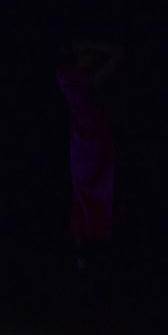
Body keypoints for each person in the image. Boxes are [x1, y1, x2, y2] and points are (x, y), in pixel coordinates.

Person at [57, 39, 125, 273]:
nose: (95, 59)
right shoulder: (74, 79)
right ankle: (83, 255)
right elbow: (119, 52)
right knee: (86, 195)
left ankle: (89, 255)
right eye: (90, 54)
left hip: (94, 144)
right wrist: (91, 42)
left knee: (97, 195)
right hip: (86, 144)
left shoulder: (80, 79)